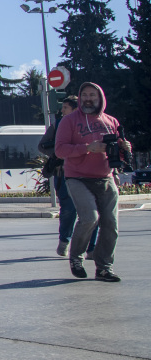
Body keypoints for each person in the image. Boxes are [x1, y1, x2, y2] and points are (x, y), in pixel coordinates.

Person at [54, 82, 129, 283]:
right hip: (77, 176)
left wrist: (124, 148)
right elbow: (60, 150)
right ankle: (76, 259)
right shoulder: (69, 121)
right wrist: (88, 147)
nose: (88, 98)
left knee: (111, 224)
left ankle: (104, 268)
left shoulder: (111, 121)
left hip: (106, 177)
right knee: (89, 217)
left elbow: (119, 154)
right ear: (79, 98)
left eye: (92, 95)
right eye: (85, 95)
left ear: (100, 98)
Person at [38, 96, 97, 257]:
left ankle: (91, 248)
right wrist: (59, 153)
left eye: (65, 107)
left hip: (88, 173)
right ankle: (64, 241)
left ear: (75, 108)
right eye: (62, 107)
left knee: (93, 211)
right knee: (69, 210)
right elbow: (42, 145)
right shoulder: (57, 125)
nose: (62, 110)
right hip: (64, 173)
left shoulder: (90, 124)